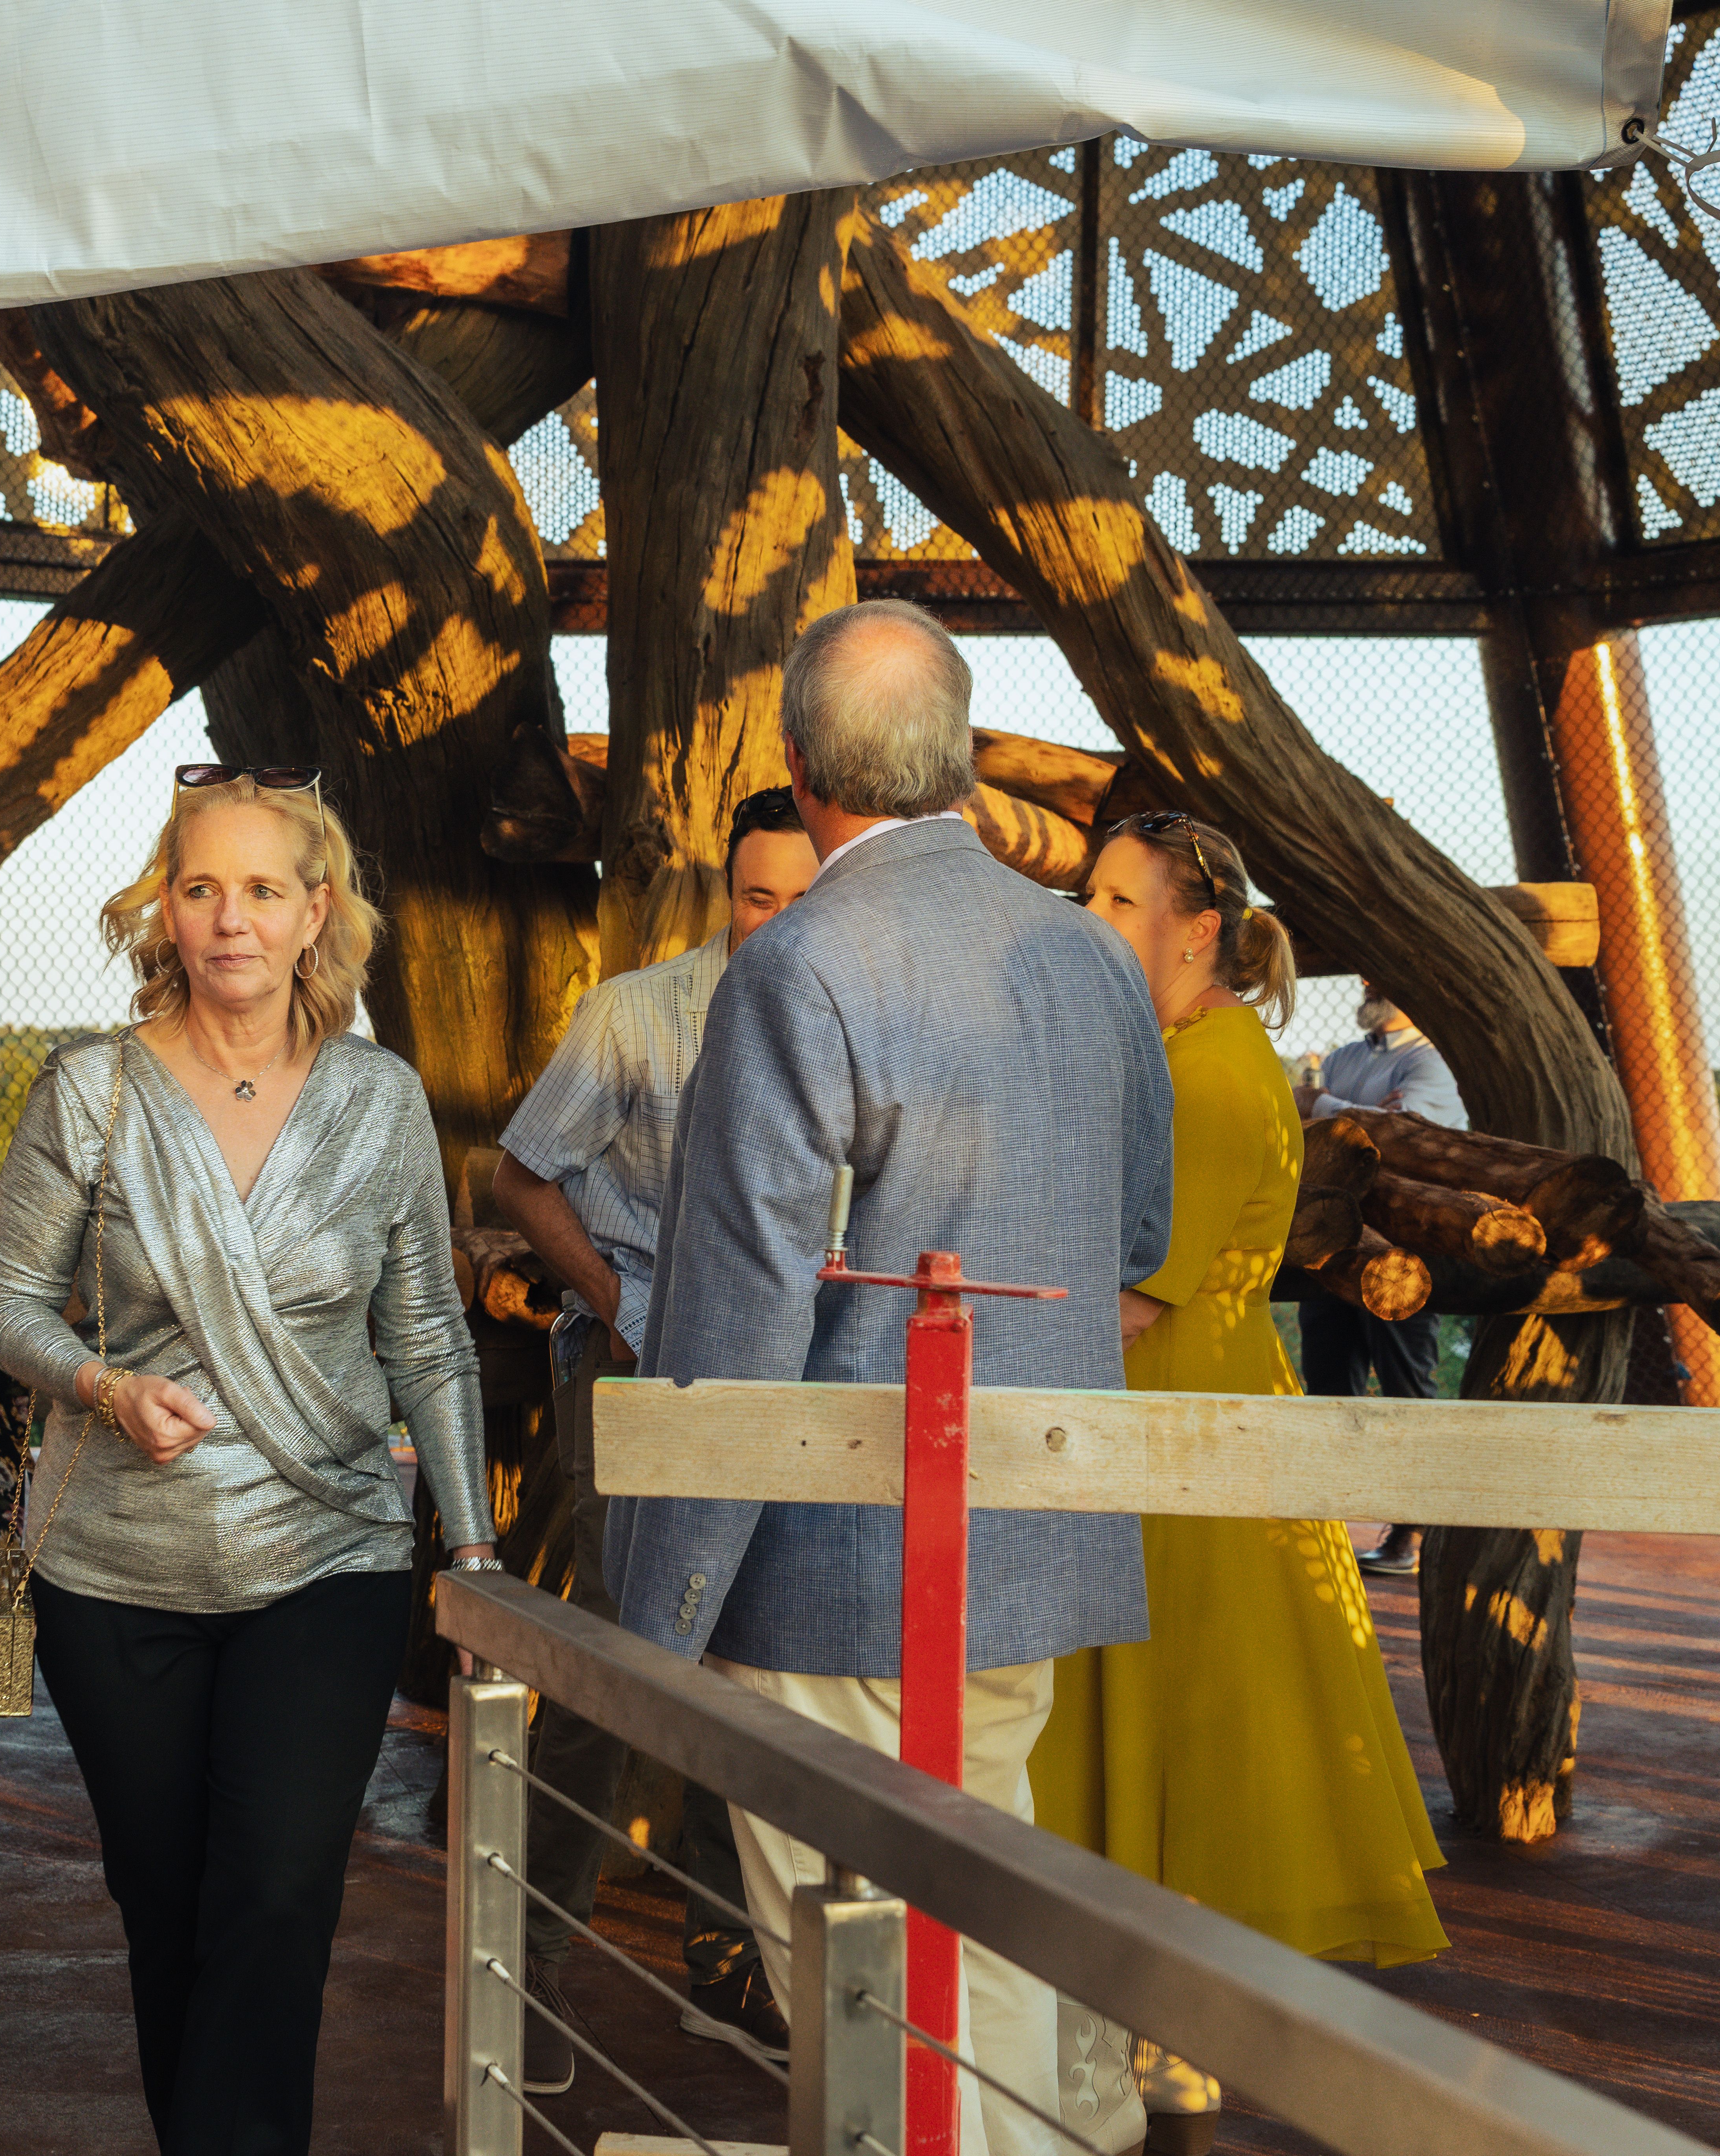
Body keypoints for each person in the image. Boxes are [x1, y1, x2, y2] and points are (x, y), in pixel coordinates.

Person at [606, 601, 1175, 2156]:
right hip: (1036, 1534)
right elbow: (1139, 1240)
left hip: (836, 1568)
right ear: (963, 757)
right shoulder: (1091, 958)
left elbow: (735, 1324)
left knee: (878, 1989)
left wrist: (655, 1627)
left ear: (793, 766)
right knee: (977, 1920)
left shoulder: (795, 966)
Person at [0, 767, 496, 2156]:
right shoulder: (90, 1088)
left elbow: (429, 1339)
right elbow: (0, 1301)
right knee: (172, 1910)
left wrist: (477, 1552)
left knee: (273, 1897)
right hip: (113, 1576)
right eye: (200, 886)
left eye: (263, 889)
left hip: (326, 1561)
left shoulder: (380, 1103)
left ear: (316, 912)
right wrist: (101, 1381)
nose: (228, 920)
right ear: (165, 904)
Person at [1035, 812, 1449, 2156]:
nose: (1088, 918)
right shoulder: (1182, 1055)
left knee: (1174, 1722)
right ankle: (1141, 2045)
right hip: (1187, 1418)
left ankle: (1157, 2053)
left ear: (1194, 926)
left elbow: (1128, 1308)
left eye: (1113, 899)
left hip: (1168, 1426)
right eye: (1089, 895)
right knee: (1159, 1723)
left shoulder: (1206, 1078)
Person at [491, 785, 820, 2088]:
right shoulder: (638, 1012)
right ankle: (517, 1968)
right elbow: (520, 1172)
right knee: (623, 1665)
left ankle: (729, 1963)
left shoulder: (862, 1018)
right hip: (633, 1371)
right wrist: (618, 1299)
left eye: (807, 896)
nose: (781, 920)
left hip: (793, 1391)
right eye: (758, 896)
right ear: (722, 892)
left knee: (758, 1664)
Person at [1297, 979, 1467, 1576]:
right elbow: (1337, 1138)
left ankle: (1411, 1534)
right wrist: (1355, 1121)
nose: (1369, 985)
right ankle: (1326, 1530)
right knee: (1327, 1389)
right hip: (1333, 1246)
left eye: (1382, 975)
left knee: (1405, 1388)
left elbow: (1404, 1137)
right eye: (1365, 976)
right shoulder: (1348, 1056)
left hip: (1406, 1254)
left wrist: (1322, 1106)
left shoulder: (1435, 1061)